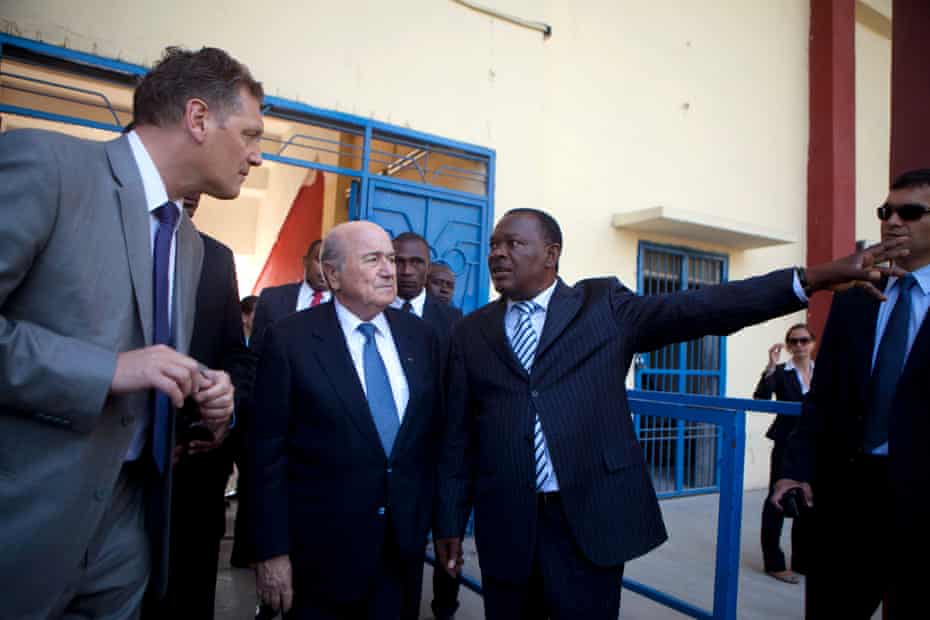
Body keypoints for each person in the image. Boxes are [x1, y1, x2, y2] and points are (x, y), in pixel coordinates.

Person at [434, 208, 907, 620]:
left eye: (513, 243)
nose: (498, 253)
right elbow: (457, 436)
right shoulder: (473, 332)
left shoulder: (603, 307)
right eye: (494, 244)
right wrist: (450, 523)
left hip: (588, 522)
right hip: (507, 523)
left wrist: (811, 279)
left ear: (552, 254)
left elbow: (704, 307)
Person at [0, 46, 262, 618]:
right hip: (25, 522)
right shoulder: (48, 168)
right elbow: (121, 366)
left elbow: (149, 370)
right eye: (249, 134)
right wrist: (108, 369)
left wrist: (204, 396)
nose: (257, 156)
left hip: (133, 525)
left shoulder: (189, 244)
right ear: (198, 119)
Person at [249, 221, 443, 619]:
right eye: (373, 259)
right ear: (333, 274)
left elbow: (429, 438)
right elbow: (264, 453)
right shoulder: (290, 340)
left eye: (390, 258)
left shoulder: (421, 338)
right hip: (319, 558)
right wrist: (271, 551)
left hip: (400, 552)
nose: (390, 270)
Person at [772, 169, 930, 618]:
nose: (893, 221)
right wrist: (794, 470)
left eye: (911, 212)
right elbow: (821, 398)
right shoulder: (857, 294)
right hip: (845, 503)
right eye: (886, 211)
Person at [142, 194, 256, 618]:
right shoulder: (93, 231)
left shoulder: (216, 258)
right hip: (101, 480)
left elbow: (235, 354)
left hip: (192, 481)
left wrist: (227, 402)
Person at [391, 232, 462, 619]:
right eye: (398, 261)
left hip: (437, 454)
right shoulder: (374, 309)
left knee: (446, 539)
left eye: (416, 262)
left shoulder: (450, 320)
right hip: (387, 458)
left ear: (427, 265)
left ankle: (445, 608)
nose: (406, 270)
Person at [753, 323, 815, 584]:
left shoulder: (824, 371)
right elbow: (760, 398)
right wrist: (769, 366)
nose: (799, 346)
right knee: (776, 502)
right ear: (788, 345)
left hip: (815, 444)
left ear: (812, 342)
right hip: (787, 443)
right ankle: (774, 563)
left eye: (803, 340)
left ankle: (803, 561)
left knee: (809, 501)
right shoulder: (780, 372)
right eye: (794, 341)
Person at [250, 238, 330, 353]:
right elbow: (255, 351)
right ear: (305, 261)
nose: (324, 269)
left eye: (330, 263)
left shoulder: (346, 305)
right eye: (319, 260)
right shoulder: (271, 298)